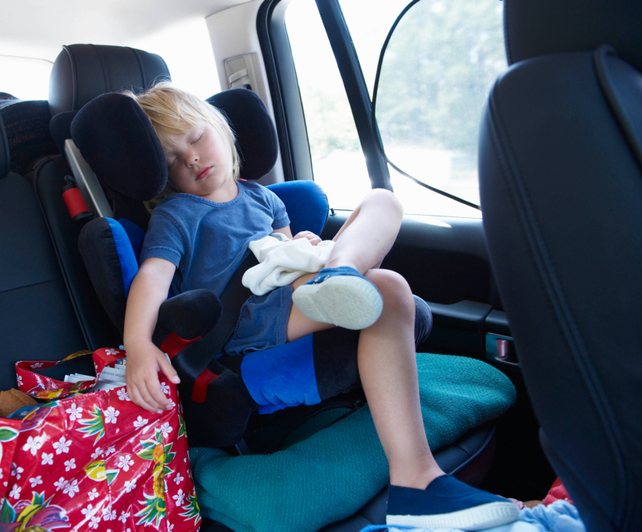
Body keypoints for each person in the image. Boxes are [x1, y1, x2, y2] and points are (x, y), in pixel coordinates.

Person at [122, 83, 518, 530]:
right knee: (387, 288)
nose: (191, 158)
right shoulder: (176, 216)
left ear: (220, 128)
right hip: (255, 319)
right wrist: (137, 344)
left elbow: (285, 250)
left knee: (383, 203)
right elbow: (153, 277)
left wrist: (306, 246)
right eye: (172, 159)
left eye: (194, 138)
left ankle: (342, 272)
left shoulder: (263, 197)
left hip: (299, 285)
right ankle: (418, 481)